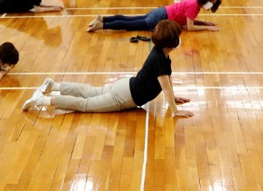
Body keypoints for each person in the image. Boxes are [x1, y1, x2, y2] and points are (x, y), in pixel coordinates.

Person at [22, 20, 192, 118]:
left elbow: (168, 81)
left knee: (90, 91)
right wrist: (175, 111)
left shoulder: (160, 53)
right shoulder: (161, 59)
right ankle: (41, 100)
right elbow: (165, 86)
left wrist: (174, 98)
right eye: (177, 37)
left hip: (125, 86)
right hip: (125, 96)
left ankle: (54, 86)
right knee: (85, 104)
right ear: (171, 42)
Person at [87, 0, 221, 33]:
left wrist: (203, 22)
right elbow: (190, 27)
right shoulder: (194, 6)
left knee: (130, 19)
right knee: (129, 25)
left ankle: (102, 18)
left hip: (160, 12)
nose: (211, 5)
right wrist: (207, 28)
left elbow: (187, 20)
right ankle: (101, 26)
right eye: (212, 2)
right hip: (160, 19)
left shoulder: (194, 0)